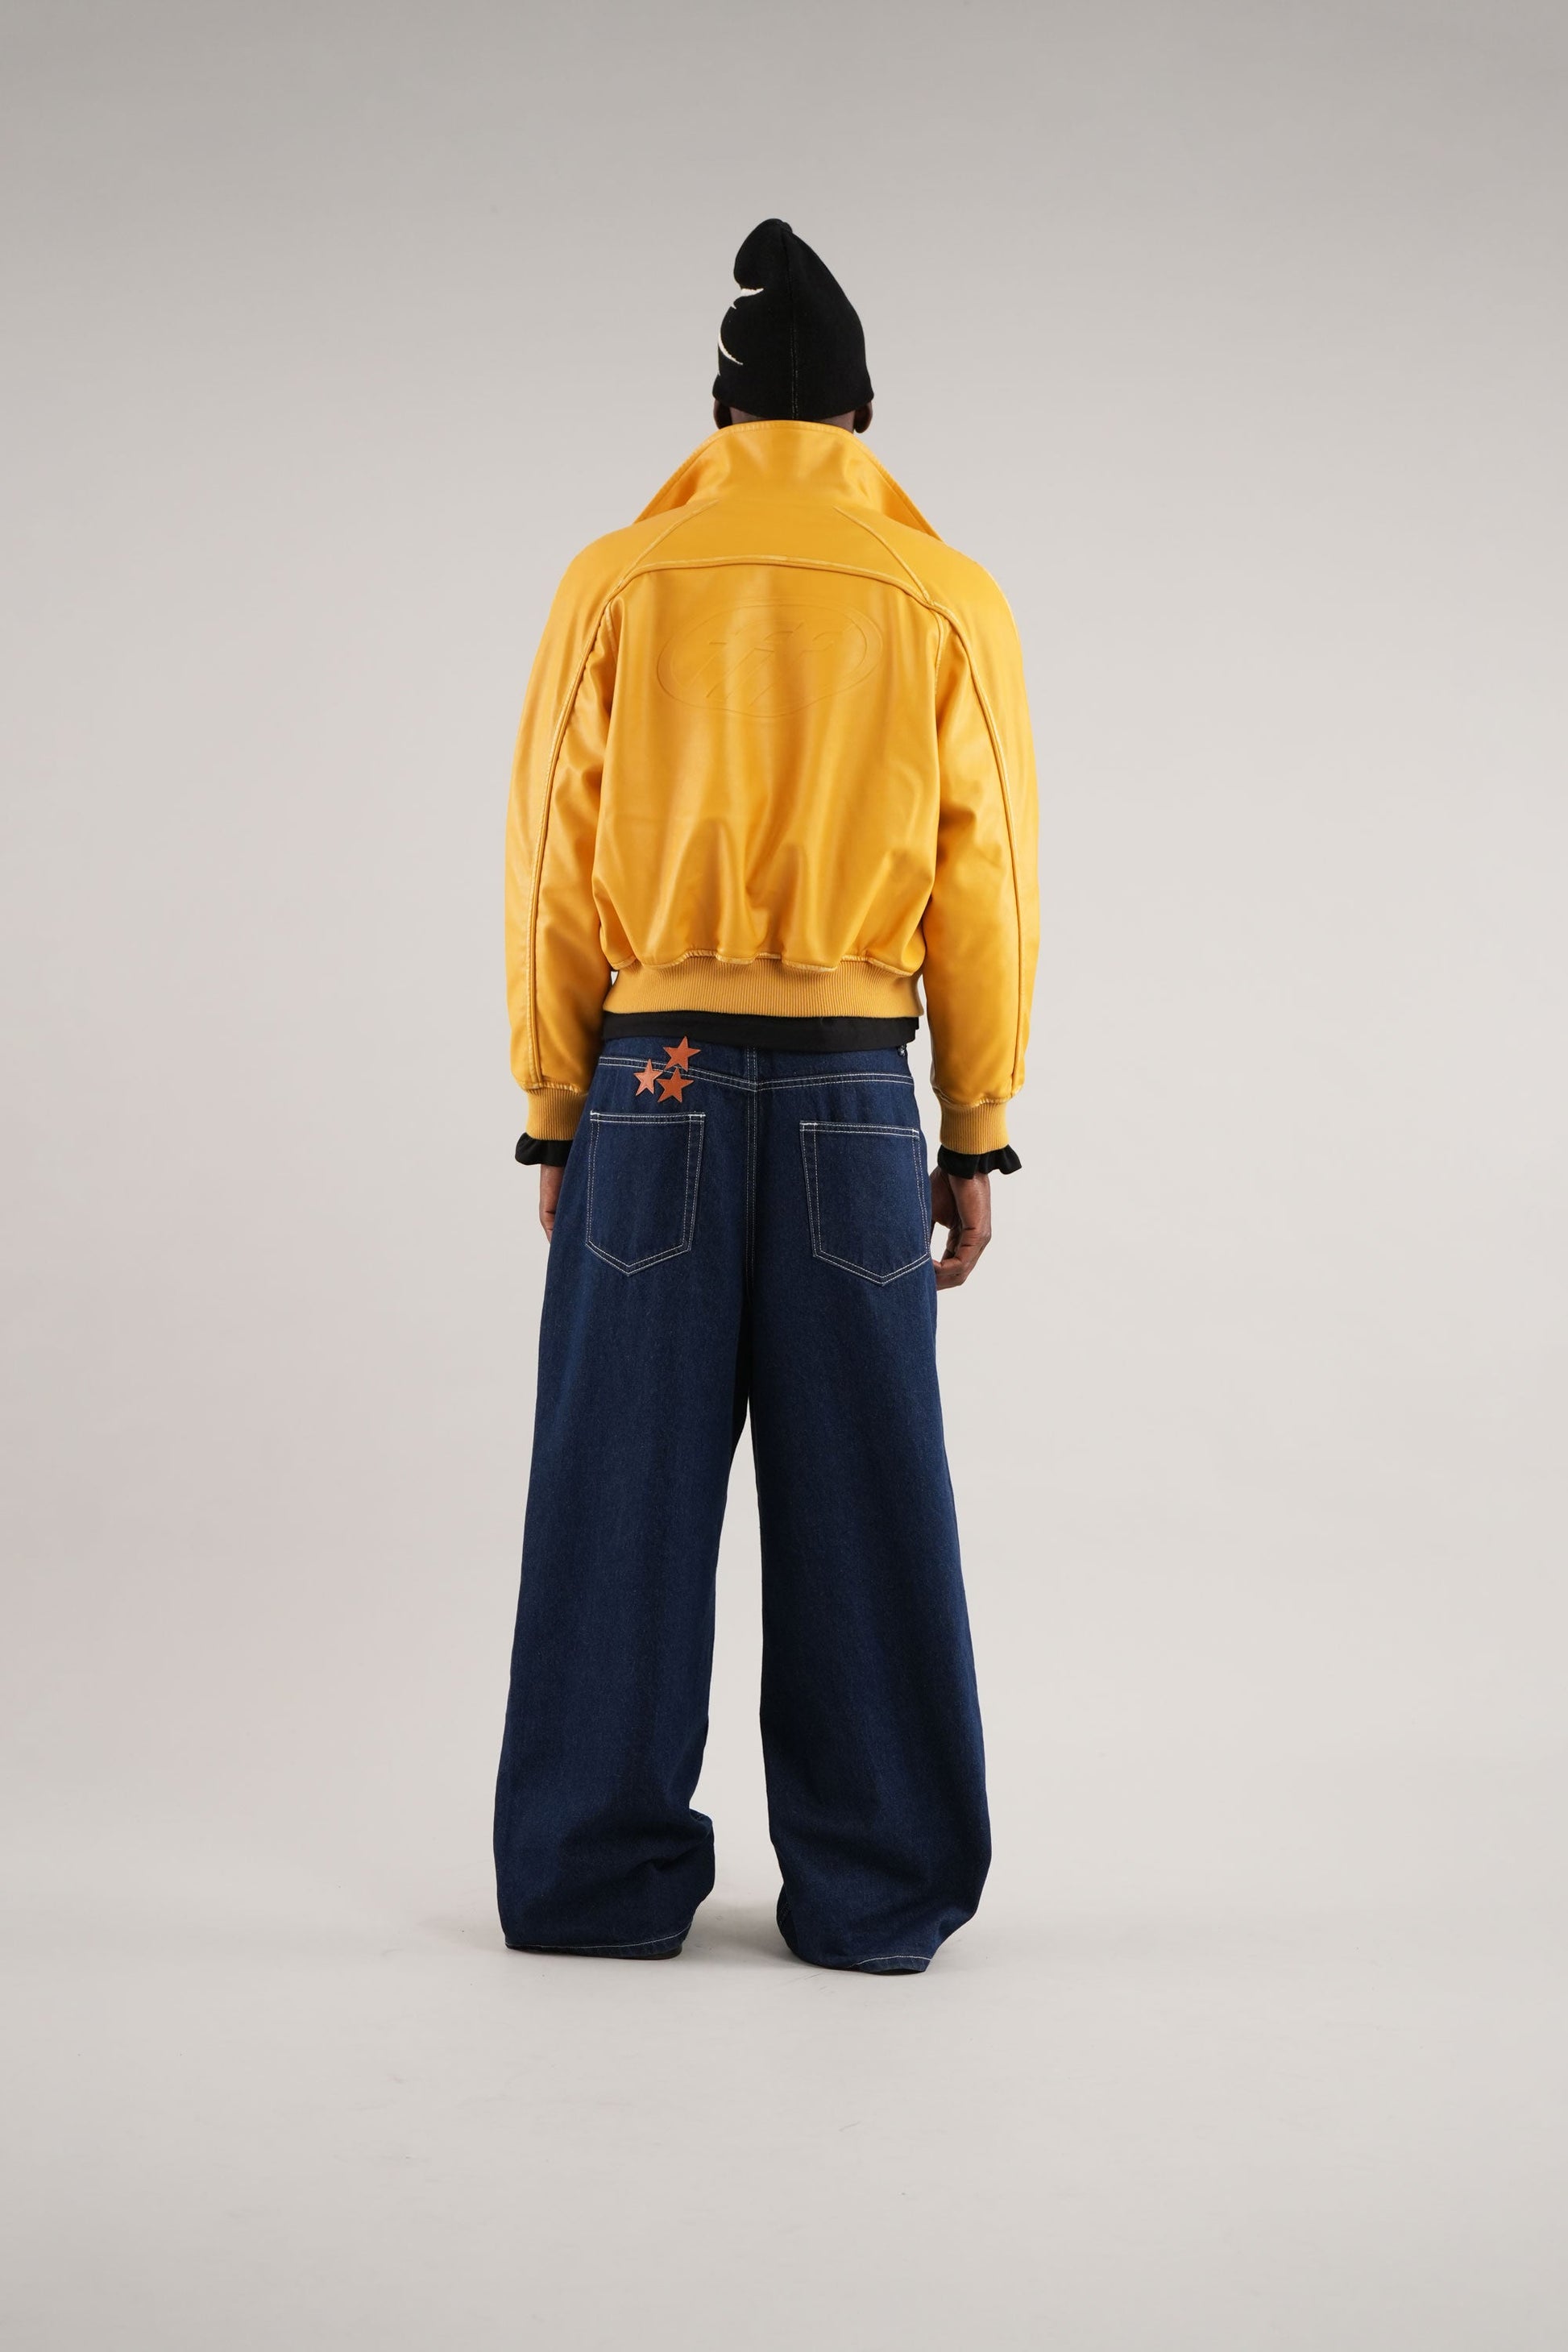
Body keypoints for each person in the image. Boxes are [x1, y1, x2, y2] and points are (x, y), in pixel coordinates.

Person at [494, 218, 1039, 1974]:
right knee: (868, 1496)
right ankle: (879, 1892)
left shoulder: (615, 578)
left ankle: (590, 1882)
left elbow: (552, 857)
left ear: (718, 418)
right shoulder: (945, 592)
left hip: (647, 1076)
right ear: (861, 419)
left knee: (615, 1487)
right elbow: (987, 877)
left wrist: (558, 1102)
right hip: (853, 1091)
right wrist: (974, 1122)